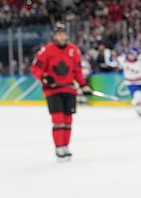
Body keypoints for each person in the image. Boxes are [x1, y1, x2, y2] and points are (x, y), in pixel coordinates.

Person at [30, 23, 93, 162]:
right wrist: (45, 77)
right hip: (52, 89)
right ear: (54, 36)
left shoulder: (73, 50)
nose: (61, 36)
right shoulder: (46, 50)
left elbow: (77, 71)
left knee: (68, 119)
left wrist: (84, 85)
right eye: (58, 33)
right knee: (58, 119)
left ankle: (66, 146)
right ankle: (59, 147)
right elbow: (35, 69)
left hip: (69, 88)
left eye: (63, 33)